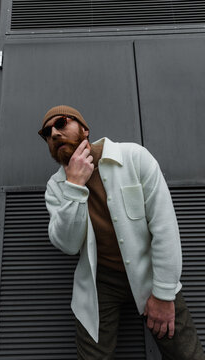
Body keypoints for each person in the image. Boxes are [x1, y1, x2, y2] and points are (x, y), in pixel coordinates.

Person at [38, 105, 204, 359]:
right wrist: (74, 185)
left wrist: (162, 294)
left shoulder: (134, 157)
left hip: (151, 272)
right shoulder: (56, 187)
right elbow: (69, 245)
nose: (55, 134)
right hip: (100, 281)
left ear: (85, 129)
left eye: (61, 123)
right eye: (47, 133)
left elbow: (164, 227)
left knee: (186, 354)